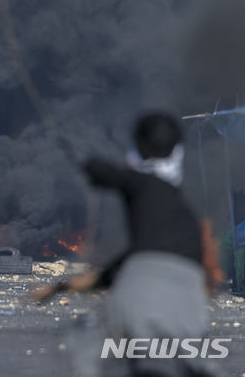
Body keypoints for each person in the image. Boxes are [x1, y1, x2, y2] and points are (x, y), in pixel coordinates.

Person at [28, 112, 219, 377]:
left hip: (135, 300)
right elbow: (116, 272)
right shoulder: (185, 223)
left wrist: (79, 155)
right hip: (188, 311)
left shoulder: (143, 186)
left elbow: (107, 174)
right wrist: (57, 287)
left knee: (89, 345)